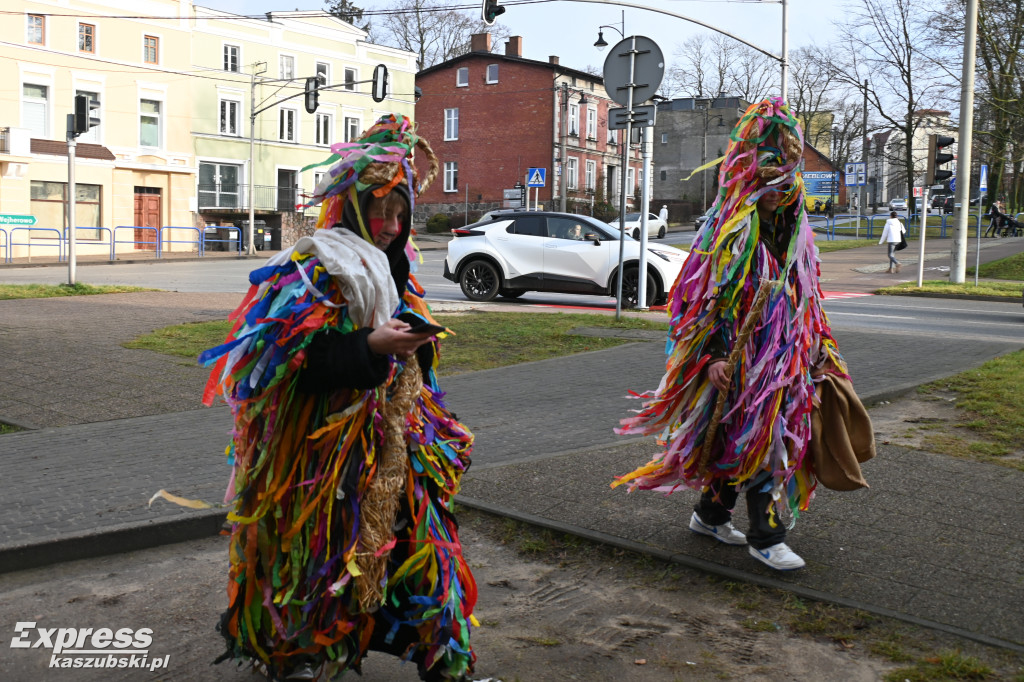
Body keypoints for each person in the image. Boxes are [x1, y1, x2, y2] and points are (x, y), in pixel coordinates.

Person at [200, 114, 476, 681]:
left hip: (398, 446)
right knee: (322, 556)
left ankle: (443, 659)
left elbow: (412, 349)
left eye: (402, 214)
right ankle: (299, 651)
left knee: (420, 543)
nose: (392, 225)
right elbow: (282, 363)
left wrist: (411, 347)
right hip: (324, 457)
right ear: (352, 204)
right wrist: (369, 345)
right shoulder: (312, 265)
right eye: (382, 210)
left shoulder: (394, 267)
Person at [613, 98, 850, 572]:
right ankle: (767, 536)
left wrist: (821, 345)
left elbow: (810, 297)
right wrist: (715, 356)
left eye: (785, 186)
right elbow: (702, 305)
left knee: (736, 436)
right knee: (759, 439)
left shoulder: (796, 237)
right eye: (767, 185)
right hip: (739, 362)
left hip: (786, 360)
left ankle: (710, 513)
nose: (776, 195)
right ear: (749, 181)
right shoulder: (726, 236)